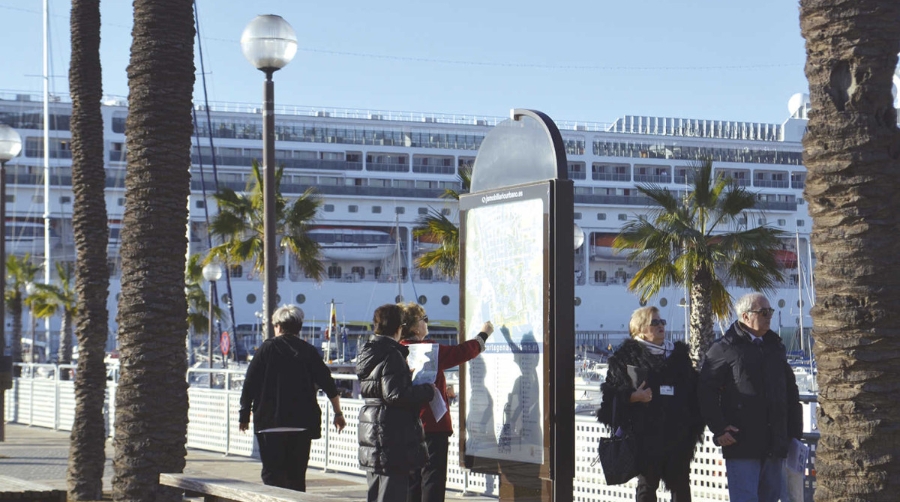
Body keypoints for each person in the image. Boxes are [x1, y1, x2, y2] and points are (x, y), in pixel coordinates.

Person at [698, 292, 803, 502]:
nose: (769, 316)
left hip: (775, 444)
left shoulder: (775, 346)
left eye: (770, 311)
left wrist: (794, 434)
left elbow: (790, 391)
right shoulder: (724, 348)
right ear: (745, 316)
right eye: (763, 312)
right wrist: (719, 428)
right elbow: (705, 390)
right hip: (742, 444)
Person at [597, 306, 704, 502]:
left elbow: (693, 391)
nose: (660, 325)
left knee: (681, 488)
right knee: (647, 487)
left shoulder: (678, 356)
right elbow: (609, 398)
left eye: (661, 322)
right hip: (644, 437)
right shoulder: (626, 358)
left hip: (678, 435)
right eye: (654, 322)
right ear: (639, 329)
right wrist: (632, 396)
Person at [238, 304, 346, 491]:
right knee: (296, 478)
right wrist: (338, 413)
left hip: (269, 423)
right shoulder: (308, 351)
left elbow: (249, 385)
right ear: (299, 327)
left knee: (272, 478)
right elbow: (328, 384)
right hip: (301, 425)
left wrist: (244, 415)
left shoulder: (265, 350)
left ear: (278, 326)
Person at [399, 302, 493, 502]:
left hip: (404, 425)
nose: (427, 323)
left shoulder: (397, 350)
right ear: (415, 327)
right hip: (432, 425)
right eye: (424, 319)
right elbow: (462, 352)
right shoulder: (429, 350)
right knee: (432, 477)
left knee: (411, 481)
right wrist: (483, 335)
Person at [357, 304, 436, 502]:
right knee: (392, 493)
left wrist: (402, 378)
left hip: (372, 428)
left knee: (376, 491)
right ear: (398, 328)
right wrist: (427, 391)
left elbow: (382, 387)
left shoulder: (370, 351)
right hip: (390, 433)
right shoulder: (392, 354)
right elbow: (395, 395)